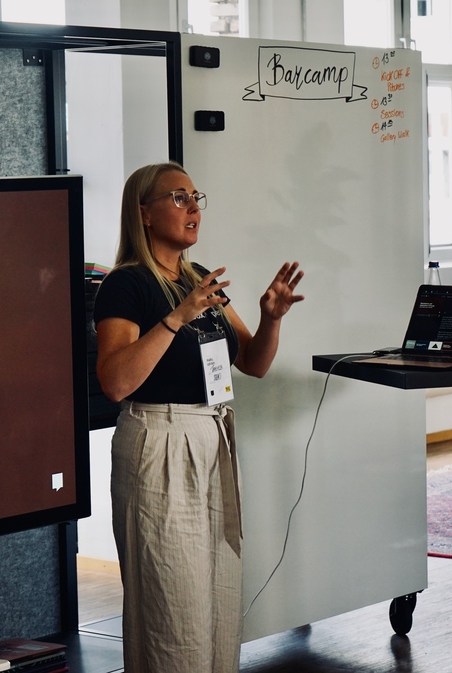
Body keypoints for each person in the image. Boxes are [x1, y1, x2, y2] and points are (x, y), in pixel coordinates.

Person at [93, 161, 305, 673]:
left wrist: (270, 319)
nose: (192, 208)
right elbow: (115, 382)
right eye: (177, 197)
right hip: (158, 440)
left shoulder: (196, 279)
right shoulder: (126, 286)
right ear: (144, 214)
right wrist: (175, 318)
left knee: (217, 595)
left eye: (195, 197)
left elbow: (252, 364)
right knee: (173, 603)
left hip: (210, 438)